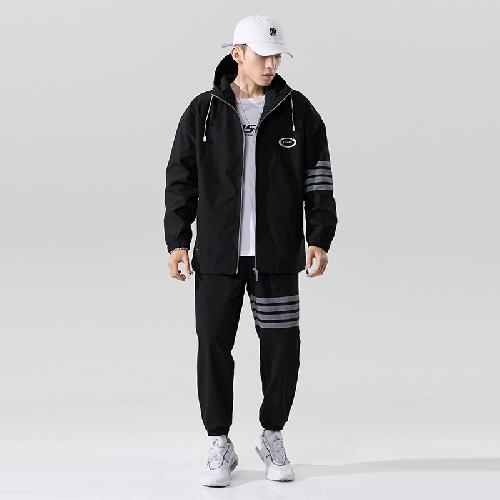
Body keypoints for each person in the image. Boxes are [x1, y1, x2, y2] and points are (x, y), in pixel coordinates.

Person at [164, 14, 338, 487]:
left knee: (282, 349)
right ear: (237, 53)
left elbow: (318, 177)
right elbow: (181, 179)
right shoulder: (203, 111)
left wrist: (319, 236)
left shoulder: (298, 111)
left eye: (277, 56)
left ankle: (272, 434)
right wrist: (178, 240)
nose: (272, 64)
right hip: (218, 258)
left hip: (277, 256)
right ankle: (219, 442)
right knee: (213, 347)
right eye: (263, 55)